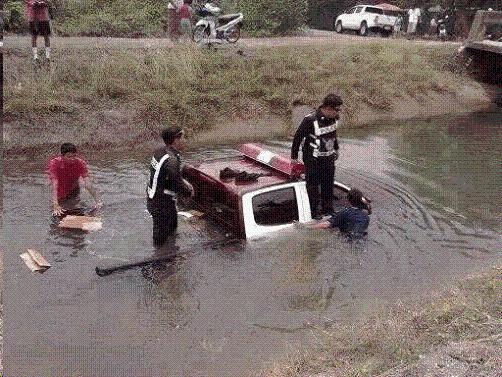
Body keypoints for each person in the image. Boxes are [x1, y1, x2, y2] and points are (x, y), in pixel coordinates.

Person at [291, 93, 342, 219]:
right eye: (337, 109)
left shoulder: (334, 118)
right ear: (328, 108)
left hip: (328, 158)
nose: (338, 113)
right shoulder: (310, 120)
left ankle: (328, 209)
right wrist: (294, 157)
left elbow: (333, 134)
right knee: (313, 186)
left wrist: (336, 149)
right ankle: (314, 212)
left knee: (328, 184)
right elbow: (298, 137)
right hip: (312, 159)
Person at [146, 127, 194, 247]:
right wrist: (188, 192)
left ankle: (170, 250)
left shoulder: (160, 151)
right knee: (160, 239)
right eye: (183, 137)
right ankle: (160, 262)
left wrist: (183, 182)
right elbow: (176, 182)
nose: (185, 140)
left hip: (157, 197)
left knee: (172, 227)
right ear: (175, 140)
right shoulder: (171, 159)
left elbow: (168, 174)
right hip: (160, 203)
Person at [47, 143, 101, 217]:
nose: (72, 159)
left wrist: (98, 201)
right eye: (69, 157)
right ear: (62, 156)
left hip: (74, 188)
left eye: (74, 156)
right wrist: (55, 205)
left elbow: (88, 184)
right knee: (58, 213)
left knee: (77, 208)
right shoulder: (54, 163)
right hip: (59, 189)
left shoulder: (80, 163)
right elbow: (54, 184)